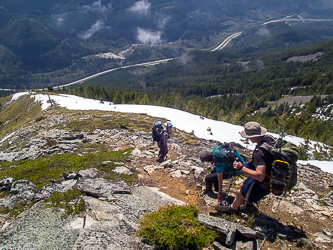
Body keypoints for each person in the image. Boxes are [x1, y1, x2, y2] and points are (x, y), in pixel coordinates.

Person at [215, 121, 273, 215]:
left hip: (264, 181)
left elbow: (260, 176)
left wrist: (241, 167)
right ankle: (248, 205)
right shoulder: (269, 141)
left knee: (240, 193)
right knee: (243, 185)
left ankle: (232, 209)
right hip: (270, 174)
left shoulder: (260, 152)